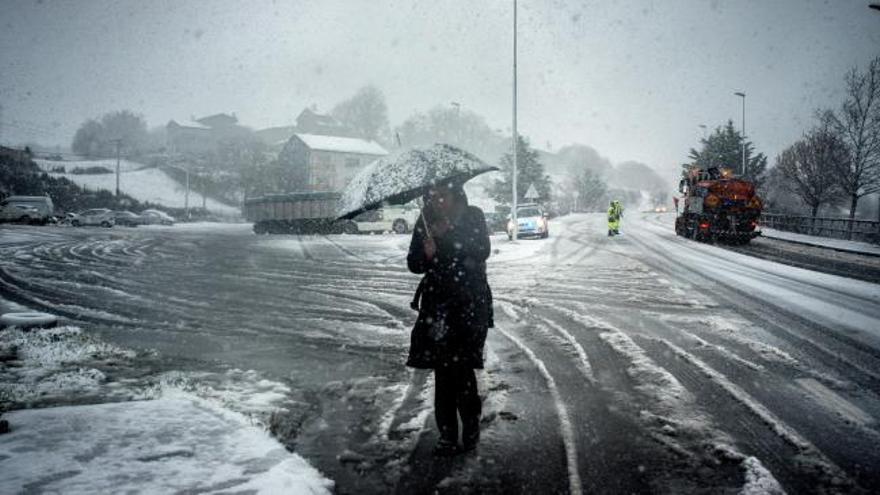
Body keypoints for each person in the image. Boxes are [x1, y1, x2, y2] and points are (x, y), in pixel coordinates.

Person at [407, 181, 493, 456]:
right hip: (438, 308)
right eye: (431, 196)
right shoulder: (425, 222)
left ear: (455, 195)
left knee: (464, 368)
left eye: (441, 196)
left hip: (470, 302)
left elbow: (482, 250)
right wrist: (426, 252)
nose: (436, 201)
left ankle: (470, 428)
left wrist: (450, 234)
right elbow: (414, 263)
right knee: (443, 372)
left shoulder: (473, 215)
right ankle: (446, 434)